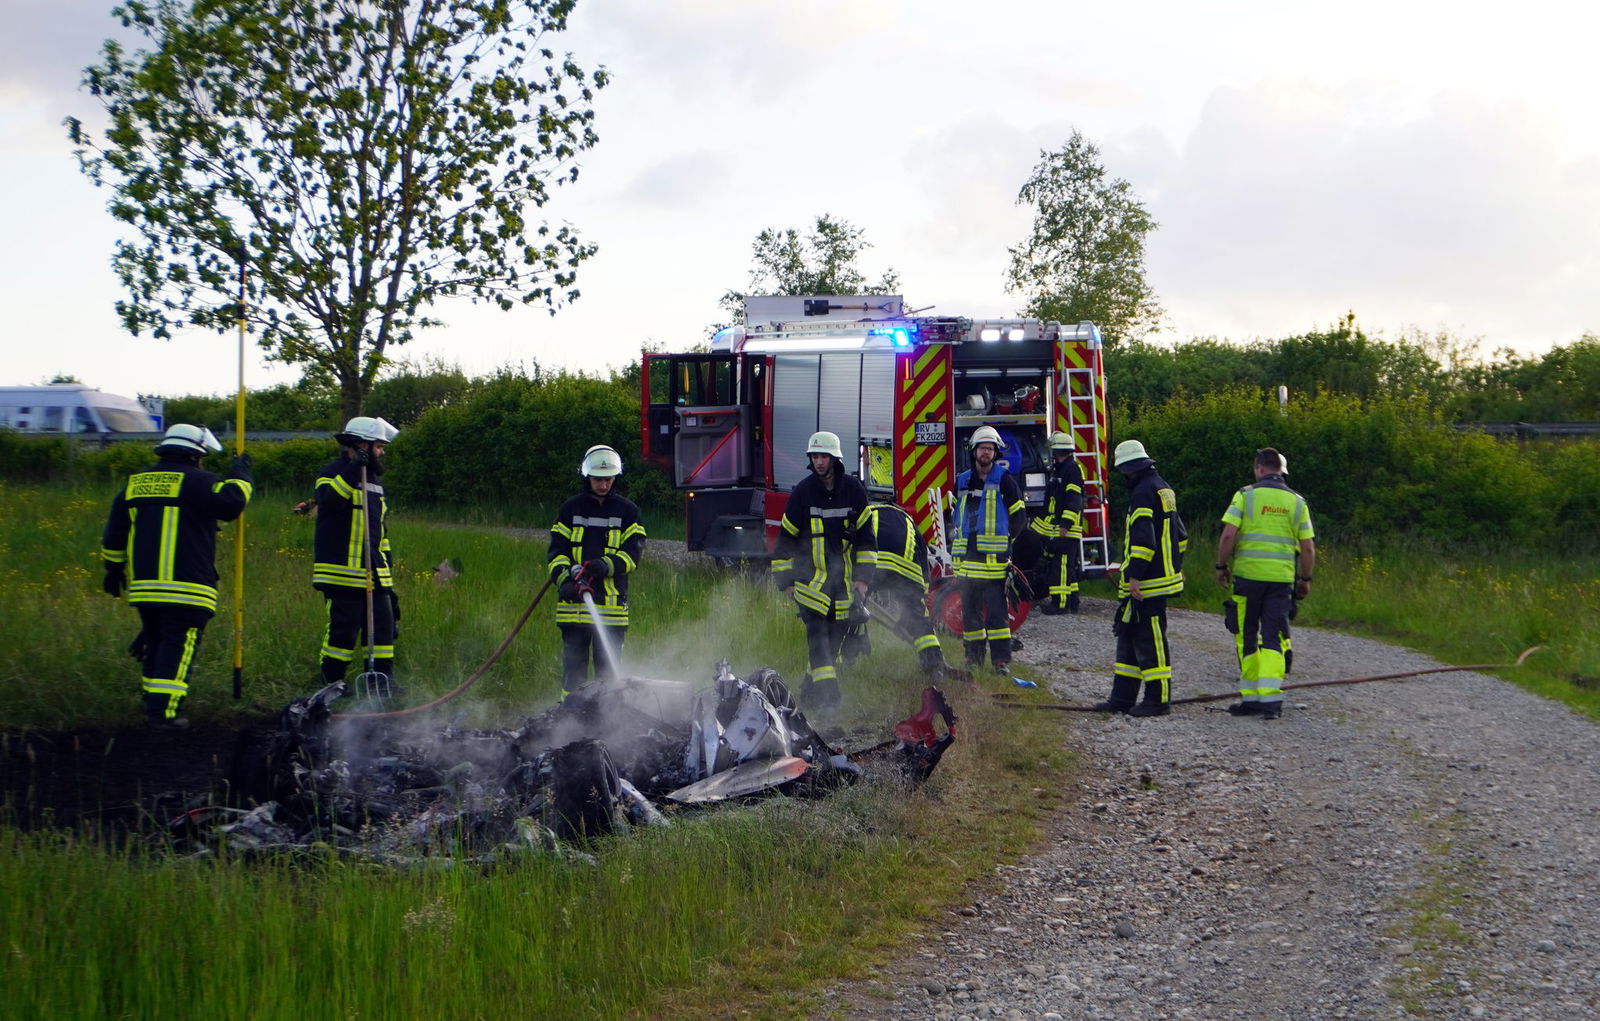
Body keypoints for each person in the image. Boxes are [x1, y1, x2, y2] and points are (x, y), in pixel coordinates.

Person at [100, 424, 253, 728]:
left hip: (145, 588)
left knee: (156, 641)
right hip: (188, 586)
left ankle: (151, 703)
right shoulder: (199, 481)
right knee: (177, 646)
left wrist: (113, 570)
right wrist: (241, 473)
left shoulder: (135, 484)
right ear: (197, 456)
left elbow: (114, 535)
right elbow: (233, 502)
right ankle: (164, 713)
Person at [772, 431, 875, 707]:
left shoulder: (853, 491)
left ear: (834, 459)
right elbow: (785, 540)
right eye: (815, 456)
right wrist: (786, 582)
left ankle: (808, 691)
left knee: (831, 645)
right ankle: (830, 701)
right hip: (809, 586)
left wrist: (863, 580)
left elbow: (866, 540)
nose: (819, 462)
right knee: (818, 641)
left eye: (823, 456)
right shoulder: (803, 493)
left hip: (843, 589)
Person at [1214, 448, 1315, 720]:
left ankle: (1251, 699)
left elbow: (1228, 536)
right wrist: (1305, 579)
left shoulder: (1245, 496)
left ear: (1259, 469)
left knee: (1246, 636)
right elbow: (1307, 548)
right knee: (1274, 637)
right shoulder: (1297, 502)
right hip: (1281, 582)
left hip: (1248, 579)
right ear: (1281, 471)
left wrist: (1221, 566)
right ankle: (1271, 702)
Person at [1095, 439, 1187, 717]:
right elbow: (1180, 536)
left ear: (1128, 469)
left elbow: (1144, 541)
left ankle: (1158, 701)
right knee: (1129, 638)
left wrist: (1134, 576)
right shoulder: (1163, 488)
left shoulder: (1143, 493)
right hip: (1158, 578)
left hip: (1147, 584)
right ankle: (1121, 699)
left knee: (1150, 640)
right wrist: (1175, 565)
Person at [547, 444, 647, 693]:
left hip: (610, 610)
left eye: (608, 479)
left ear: (616, 478)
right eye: (598, 479)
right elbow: (556, 552)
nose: (603, 485)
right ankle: (569, 721)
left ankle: (606, 726)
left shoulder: (628, 511)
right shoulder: (570, 509)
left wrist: (606, 565)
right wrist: (565, 581)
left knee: (608, 676)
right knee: (573, 675)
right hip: (574, 609)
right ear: (587, 477)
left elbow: (633, 553)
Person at [313, 416, 401, 693]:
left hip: (374, 572)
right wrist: (353, 469)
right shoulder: (332, 472)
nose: (381, 452)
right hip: (342, 571)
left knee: (384, 629)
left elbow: (380, 532)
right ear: (361, 446)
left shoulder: (374, 481)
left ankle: (380, 683)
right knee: (344, 630)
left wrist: (387, 575)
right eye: (378, 446)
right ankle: (331, 682)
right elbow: (329, 501)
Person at [950, 426, 1027, 674]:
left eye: (990, 449)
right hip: (966, 564)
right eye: (983, 448)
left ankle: (1001, 662)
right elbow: (952, 515)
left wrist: (1006, 542)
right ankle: (973, 659)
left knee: (997, 617)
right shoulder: (961, 480)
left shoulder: (1005, 481)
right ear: (974, 451)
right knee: (970, 616)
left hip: (994, 564)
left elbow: (1019, 518)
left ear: (995, 453)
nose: (986, 452)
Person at [842, 501, 948, 675]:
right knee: (917, 616)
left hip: (873, 565)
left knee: (854, 608)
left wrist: (854, 578)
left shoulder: (867, 512)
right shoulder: (909, 521)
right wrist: (920, 595)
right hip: (906, 570)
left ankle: (846, 659)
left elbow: (851, 542)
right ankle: (934, 665)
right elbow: (923, 559)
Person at [1031, 430, 1085, 615]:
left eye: (1054, 452)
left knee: (1060, 567)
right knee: (1068, 567)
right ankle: (1073, 601)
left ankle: (1060, 604)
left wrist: (1065, 526)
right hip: (1059, 527)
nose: (1052, 456)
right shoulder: (1062, 470)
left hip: (1066, 529)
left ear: (1059, 452)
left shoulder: (1072, 470)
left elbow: (1073, 500)